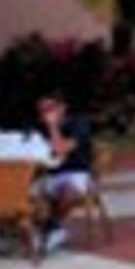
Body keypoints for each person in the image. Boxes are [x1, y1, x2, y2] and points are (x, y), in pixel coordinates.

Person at [32, 92, 100, 254]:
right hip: (49, 174)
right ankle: (15, 233)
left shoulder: (79, 124)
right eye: (42, 110)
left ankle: (53, 227)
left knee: (67, 192)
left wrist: (53, 127)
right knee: (19, 192)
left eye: (50, 109)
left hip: (76, 173)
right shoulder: (38, 129)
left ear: (62, 108)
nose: (45, 114)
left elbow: (61, 149)